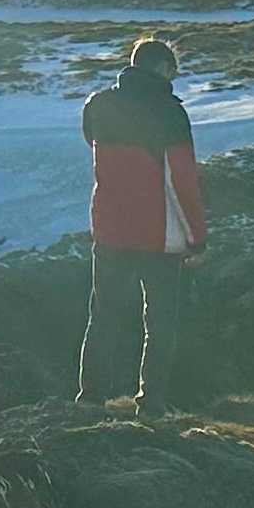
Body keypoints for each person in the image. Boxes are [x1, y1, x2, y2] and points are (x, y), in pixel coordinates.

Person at [75, 35, 206, 409]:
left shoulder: (98, 106)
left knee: (103, 317)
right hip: (159, 234)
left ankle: (90, 399)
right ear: (164, 68)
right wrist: (198, 239)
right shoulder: (170, 112)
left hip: (111, 229)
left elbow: (94, 146)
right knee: (161, 323)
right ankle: (151, 403)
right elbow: (183, 182)